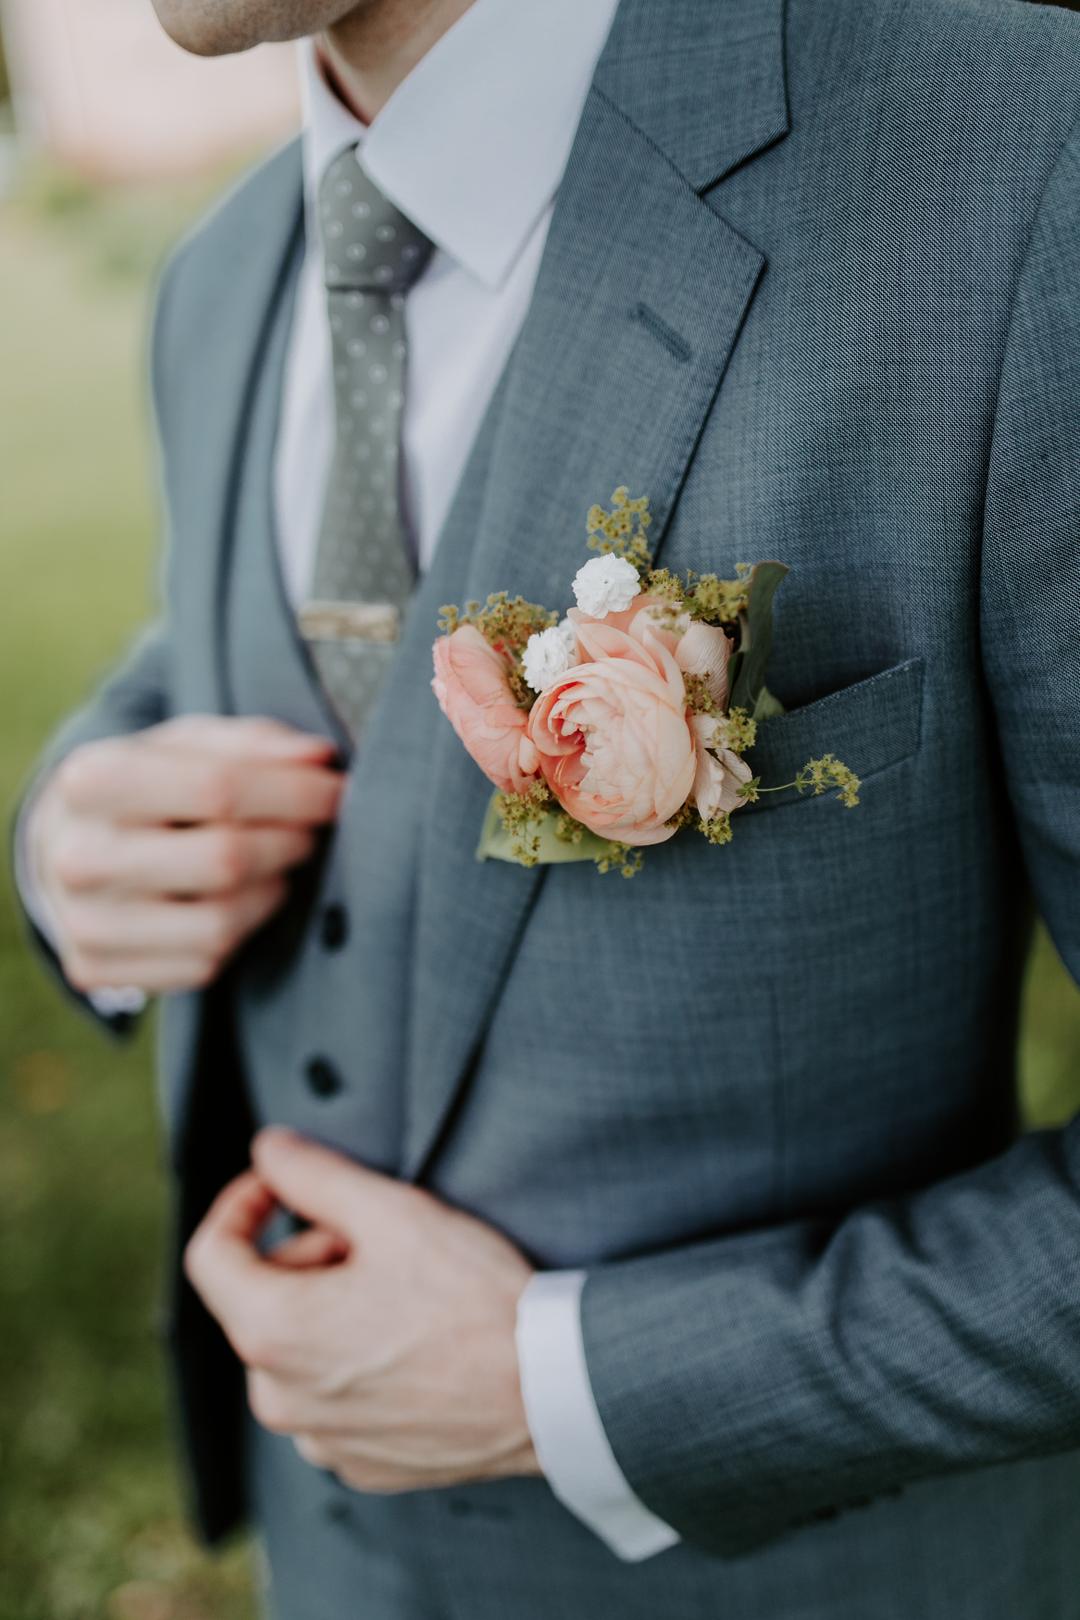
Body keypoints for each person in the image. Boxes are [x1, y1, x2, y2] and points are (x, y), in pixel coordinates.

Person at [16, 0, 1080, 1614]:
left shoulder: (1017, 152)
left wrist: (569, 1389)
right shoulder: (223, 280)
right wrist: (68, 828)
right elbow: (251, 637)